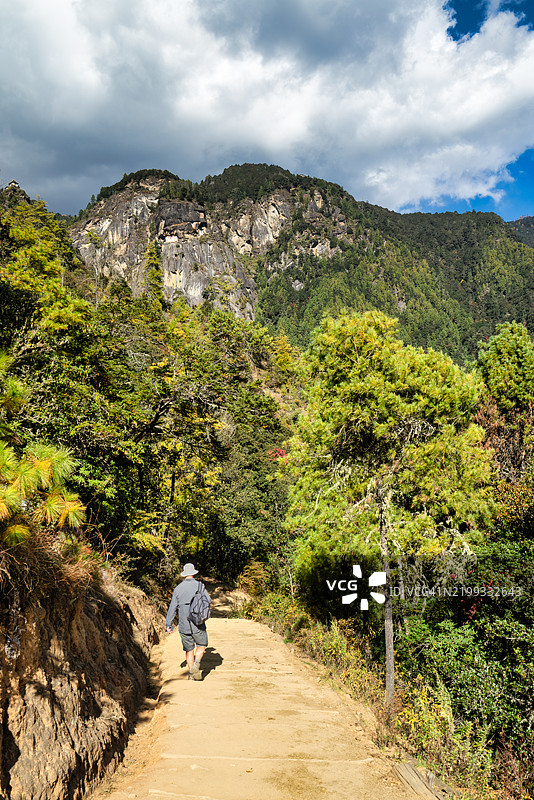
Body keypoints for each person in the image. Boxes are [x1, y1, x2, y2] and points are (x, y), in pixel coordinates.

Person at [165, 563, 209, 681]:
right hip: (198, 623)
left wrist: (168, 624)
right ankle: (197, 663)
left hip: (184, 625)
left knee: (189, 650)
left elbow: (172, 607)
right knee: (202, 645)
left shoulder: (178, 588)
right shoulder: (200, 586)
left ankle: (191, 674)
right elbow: (208, 601)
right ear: (194, 573)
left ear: (184, 575)